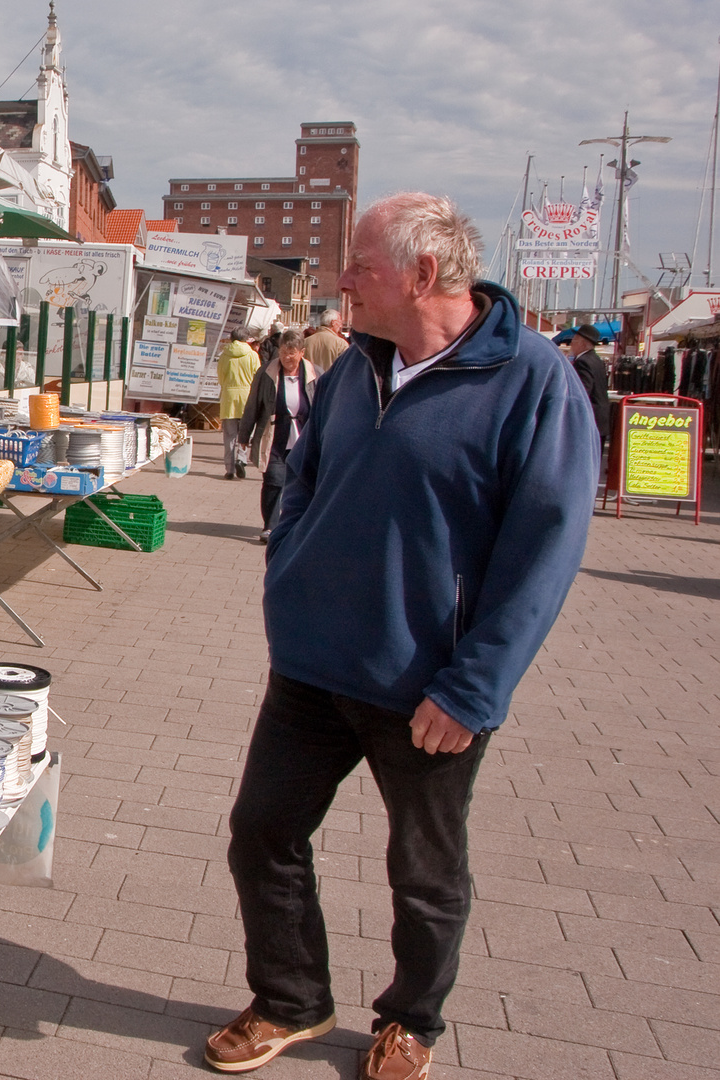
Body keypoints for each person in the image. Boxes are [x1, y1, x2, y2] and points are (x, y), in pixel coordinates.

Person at [205, 193, 599, 1080]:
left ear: (423, 275)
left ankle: (413, 1018)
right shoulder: (358, 366)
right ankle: (290, 1000)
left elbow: (546, 552)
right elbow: (302, 471)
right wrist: (289, 564)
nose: (343, 281)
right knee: (261, 830)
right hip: (313, 664)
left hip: (431, 687)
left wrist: (474, 688)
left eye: (362, 266)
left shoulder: (534, 381)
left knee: (423, 871)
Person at [237, 330, 318, 539]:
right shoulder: (267, 373)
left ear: (302, 352)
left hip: (304, 437)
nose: (287, 357)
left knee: (304, 482)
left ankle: (299, 524)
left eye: (291, 353)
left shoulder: (315, 374)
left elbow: (325, 408)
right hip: (274, 435)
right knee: (273, 480)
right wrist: (244, 436)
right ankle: (270, 526)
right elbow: (252, 404)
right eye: (283, 352)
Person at [216, 328, 261, 479]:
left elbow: (221, 377)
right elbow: (257, 378)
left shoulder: (224, 356)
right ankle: (241, 459)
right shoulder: (253, 356)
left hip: (229, 396)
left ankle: (229, 469)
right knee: (246, 432)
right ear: (247, 339)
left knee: (229, 435)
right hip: (247, 397)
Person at [567, 323, 611, 443]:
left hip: (590, 418)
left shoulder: (583, 362)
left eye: (575, 340)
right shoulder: (596, 360)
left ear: (583, 344)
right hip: (600, 420)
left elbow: (583, 390)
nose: (571, 343)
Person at [303, 308, 348, 374]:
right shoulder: (341, 344)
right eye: (340, 322)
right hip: (332, 382)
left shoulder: (305, 342)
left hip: (310, 381)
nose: (340, 326)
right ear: (333, 323)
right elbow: (345, 369)